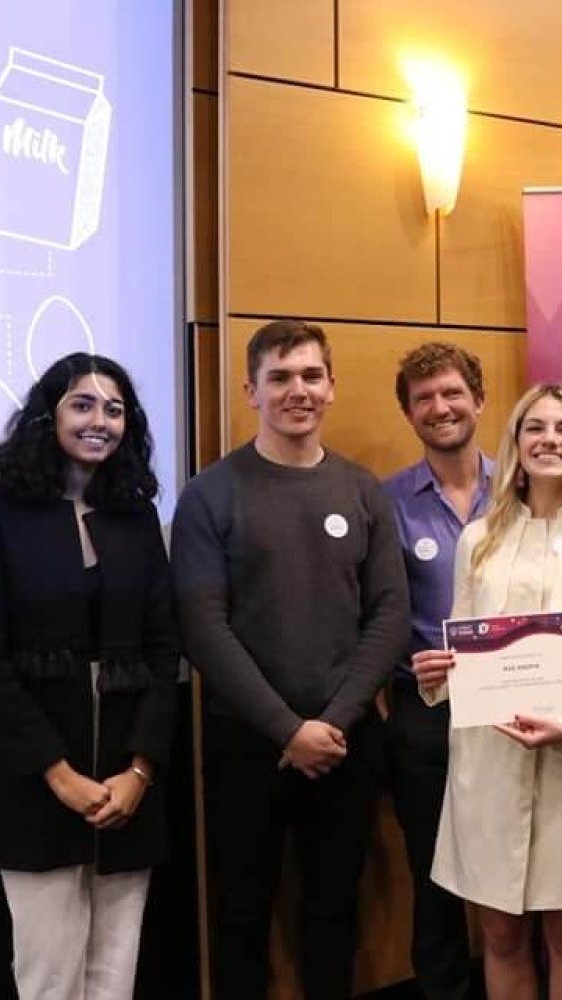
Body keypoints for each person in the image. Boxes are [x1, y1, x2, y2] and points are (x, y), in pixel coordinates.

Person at [171, 320, 410, 999]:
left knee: (335, 909)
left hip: (345, 740)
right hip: (247, 744)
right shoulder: (210, 494)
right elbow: (203, 628)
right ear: (251, 391)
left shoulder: (361, 490)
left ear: (332, 387)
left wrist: (332, 722)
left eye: (310, 375)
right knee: (242, 912)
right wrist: (287, 730)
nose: (297, 390)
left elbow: (389, 614)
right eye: (279, 377)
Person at [413, 383, 562, 1000]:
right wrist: (439, 675)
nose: (550, 440)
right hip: (488, 762)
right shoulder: (479, 538)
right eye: (536, 427)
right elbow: (465, 647)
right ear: (515, 441)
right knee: (500, 935)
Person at [0, 353, 177, 1000]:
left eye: (114, 409)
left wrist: (140, 772)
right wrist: (59, 775)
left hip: (128, 778)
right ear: (46, 416)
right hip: (33, 778)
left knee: (115, 972)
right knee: (50, 977)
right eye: (82, 405)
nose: (99, 421)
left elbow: (164, 648)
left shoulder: (136, 515)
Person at [382, 343, 490, 1000]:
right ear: (409, 413)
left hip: (513, 705)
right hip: (426, 711)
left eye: (452, 393)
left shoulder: (526, 489)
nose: (440, 407)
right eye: (424, 398)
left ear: (478, 399)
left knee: (519, 867)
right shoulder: (385, 501)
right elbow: (374, 609)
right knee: (433, 875)